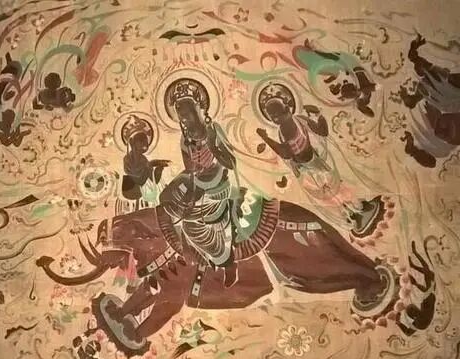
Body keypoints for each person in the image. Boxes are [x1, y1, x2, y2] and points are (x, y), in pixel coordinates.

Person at [255, 88, 384, 238]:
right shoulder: (286, 128)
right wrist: (266, 138)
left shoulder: (299, 121)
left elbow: (320, 133)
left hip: (313, 162)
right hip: (306, 169)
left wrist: (319, 115)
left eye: (279, 113)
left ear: (287, 108)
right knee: (330, 194)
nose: (277, 118)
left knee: (336, 188)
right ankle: (353, 215)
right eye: (273, 117)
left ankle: (359, 210)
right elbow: (288, 153)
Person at [158, 78, 245, 288]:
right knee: (166, 199)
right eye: (181, 114)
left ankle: (226, 261)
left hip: (217, 186)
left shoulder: (213, 129)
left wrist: (213, 145)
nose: (185, 118)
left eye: (188, 111)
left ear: (198, 108)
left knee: (190, 226)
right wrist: (188, 192)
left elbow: (231, 163)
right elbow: (190, 170)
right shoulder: (185, 140)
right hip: (197, 182)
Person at [399, 33, 460, 167]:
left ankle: (417, 60)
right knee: (438, 78)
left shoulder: (446, 136)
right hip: (445, 99)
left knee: (437, 79)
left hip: (444, 101)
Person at [120, 114, 170, 208]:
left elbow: (152, 179)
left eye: (145, 140)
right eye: (141, 140)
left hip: (146, 193)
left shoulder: (144, 159)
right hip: (131, 191)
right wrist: (151, 165)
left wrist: (159, 168)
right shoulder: (128, 159)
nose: (145, 144)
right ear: (132, 142)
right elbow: (136, 173)